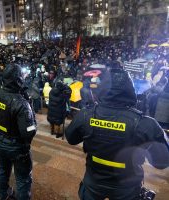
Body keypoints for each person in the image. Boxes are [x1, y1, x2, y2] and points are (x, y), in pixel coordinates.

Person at [65, 66, 169, 200]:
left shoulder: (86, 115)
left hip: (93, 184)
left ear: (103, 90)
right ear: (130, 91)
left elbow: (71, 138)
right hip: (127, 189)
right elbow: (162, 162)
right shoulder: (145, 123)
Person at [0, 64, 37, 200]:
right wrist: (29, 107)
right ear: (19, 80)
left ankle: (3, 195)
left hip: (0, 141)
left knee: (3, 170)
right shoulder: (22, 103)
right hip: (17, 147)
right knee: (23, 179)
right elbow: (29, 132)